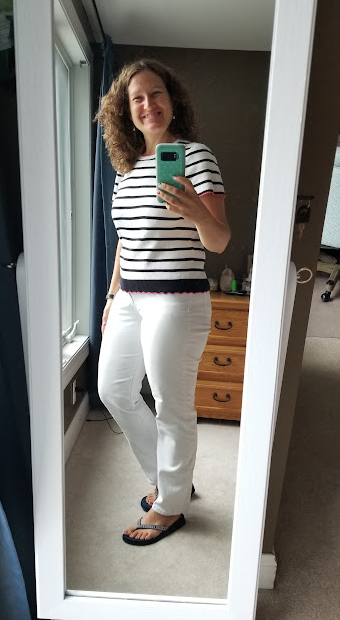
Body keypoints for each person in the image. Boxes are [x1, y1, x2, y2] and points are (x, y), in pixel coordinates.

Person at [96, 59, 230, 546]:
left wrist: (195, 210)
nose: (148, 105)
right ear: (125, 111)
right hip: (130, 296)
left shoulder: (195, 157)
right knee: (114, 390)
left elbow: (218, 240)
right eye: (137, 98)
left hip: (176, 297)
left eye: (156, 94)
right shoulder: (127, 168)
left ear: (172, 101)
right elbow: (126, 239)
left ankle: (170, 505)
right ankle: (170, 481)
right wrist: (112, 294)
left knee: (171, 405)